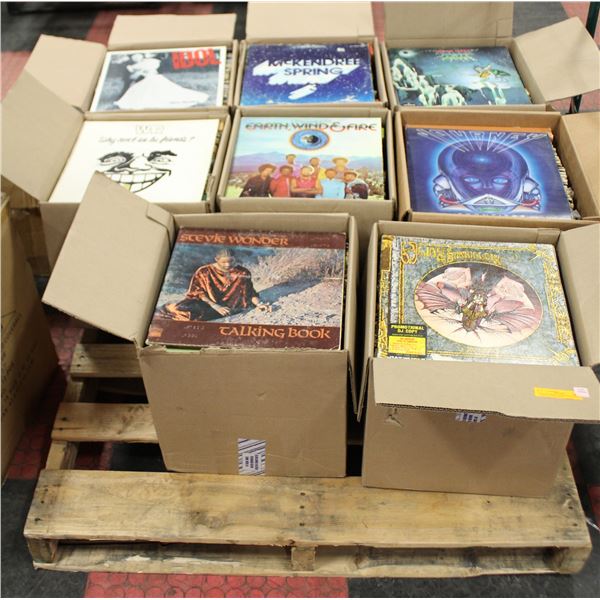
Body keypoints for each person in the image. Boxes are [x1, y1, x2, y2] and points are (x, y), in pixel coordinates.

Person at [161, 248, 270, 321]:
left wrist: (260, 304)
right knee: (180, 309)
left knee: (196, 316)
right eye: (224, 262)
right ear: (216, 259)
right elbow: (198, 293)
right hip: (207, 304)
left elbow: (250, 293)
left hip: (230, 307)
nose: (228, 265)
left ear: (235, 259)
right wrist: (216, 306)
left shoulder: (243, 273)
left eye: (231, 261)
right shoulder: (204, 271)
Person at [115, 52, 209, 110]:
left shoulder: (151, 62)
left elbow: (139, 70)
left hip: (152, 78)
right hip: (150, 77)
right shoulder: (149, 62)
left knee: (154, 90)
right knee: (145, 89)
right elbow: (138, 71)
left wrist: (136, 70)